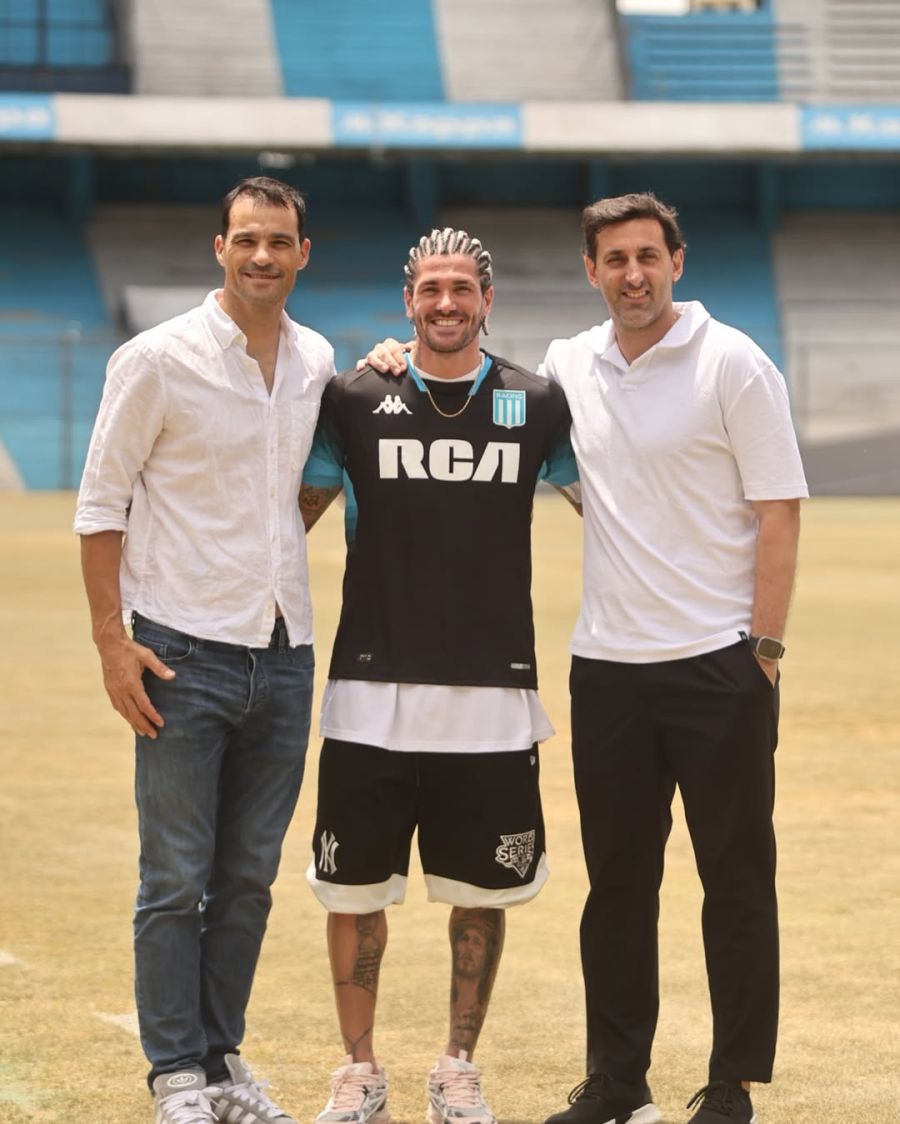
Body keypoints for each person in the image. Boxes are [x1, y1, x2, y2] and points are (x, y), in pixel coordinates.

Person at [363, 193, 807, 1124]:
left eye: (648, 255)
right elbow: (471, 374)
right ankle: (616, 1079)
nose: (633, 274)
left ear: (676, 261)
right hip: (606, 671)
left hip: (718, 666)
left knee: (733, 880)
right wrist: (392, 359)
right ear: (591, 271)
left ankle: (731, 1086)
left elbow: (779, 507)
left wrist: (762, 649)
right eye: (615, 259)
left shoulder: (733, 362)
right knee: (617, 889)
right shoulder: (569, 366)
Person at [299, 227, 578, 1124]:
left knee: (480, 898)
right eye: (431, 289)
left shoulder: (537, 403)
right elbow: (289, 517)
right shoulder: (351, 396)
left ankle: (458, 1068)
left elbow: (617, 506)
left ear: (487, 299)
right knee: (352, 894)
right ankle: (360, 1072)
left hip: (493, 701)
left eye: (463, 288)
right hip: (369, 693)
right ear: (409, 298)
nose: (447, 303)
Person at [74, 176, 335, 1124]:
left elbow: (313, 480)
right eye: (245, 239)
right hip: (180, 651)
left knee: (248, 880)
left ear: (304, 253)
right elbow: (101, 509)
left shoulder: (317, 360)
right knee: (174, 876)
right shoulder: (156, 359)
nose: (262, 255)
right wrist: (114, 643)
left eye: (280, 240)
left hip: (287, 651)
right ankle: (175, 1075)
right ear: (216, 249)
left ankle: (224, 1060)